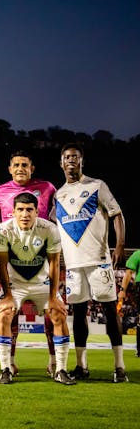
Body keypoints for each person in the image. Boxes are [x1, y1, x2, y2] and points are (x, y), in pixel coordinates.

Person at [55, 142, 128, 382]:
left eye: (75, 156)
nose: (71, 160)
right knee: (78, 314)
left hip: (99, 261)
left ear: (82, 161)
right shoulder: (59, 194)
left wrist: (119, 245)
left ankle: (119, 367)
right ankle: (81, 366)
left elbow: (117, 214)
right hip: (74, 265)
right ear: (61, 163)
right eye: (67, 157)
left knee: (109, 310)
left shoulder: (97, 186)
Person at [0, 150, 58, 376]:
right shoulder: (0, 191)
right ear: (9, 168)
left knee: (51, 314)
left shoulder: (48, 188)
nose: (20, 169)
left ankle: (54, 361)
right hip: (13, 259)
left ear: (32, 168)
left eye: (25, 165)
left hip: (41, 256)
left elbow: (59, 217)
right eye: (16, 165)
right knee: (9, 313)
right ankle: (10, 362)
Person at [0, 192, 74, 385]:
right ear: (13, 212)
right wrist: (8, 296)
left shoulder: (49, 229)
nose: (25, 214)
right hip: (15, 283)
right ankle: (6, 368)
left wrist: (54, 297)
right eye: (20, 209)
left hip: (42, 283)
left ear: (37, 212)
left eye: (29, 209)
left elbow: (55, 264)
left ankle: (60, 369)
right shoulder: (3, 230)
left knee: (58, 314)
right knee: (4, 314)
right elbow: (2, 265)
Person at [120, 249, 140, 357]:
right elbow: (128, 273)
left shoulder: (137, 254)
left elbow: (128, 273)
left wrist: (123, 290)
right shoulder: (138, 254)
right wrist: (123, 290)